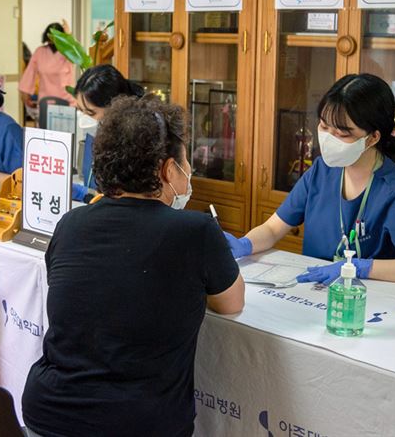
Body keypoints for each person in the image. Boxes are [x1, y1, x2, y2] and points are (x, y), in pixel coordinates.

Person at [22, 95, 244, 437]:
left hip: (48, 413)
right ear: (167, 170)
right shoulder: (196, 231)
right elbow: (231, 302)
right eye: (186, 162)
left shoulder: (71, 224)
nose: (189, 172)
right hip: (137, 423)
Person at [224, 74, 395, 285]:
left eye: (342, 134)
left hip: (361, 298)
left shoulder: (394, 190)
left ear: (373, 138)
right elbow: (272, 229)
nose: (329, 138)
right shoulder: (321, 171)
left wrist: (360, 267)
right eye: (324, 127)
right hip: (313, 291)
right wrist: (245, 244)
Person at [71, 64, 145, 201]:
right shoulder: (97, 134)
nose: (83, 118)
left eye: (90, 113)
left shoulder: (137, 140)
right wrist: (84, 194)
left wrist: (91, 196)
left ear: (115, 107)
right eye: (80, 110)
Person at [19, 22, 76, 120]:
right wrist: (26, 95)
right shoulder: (40, 52)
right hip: (45, 102)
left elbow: (77, 53)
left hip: (67, 102)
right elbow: (29, 74)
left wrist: (68, 36)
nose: (53, 39)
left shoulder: (68, 51)